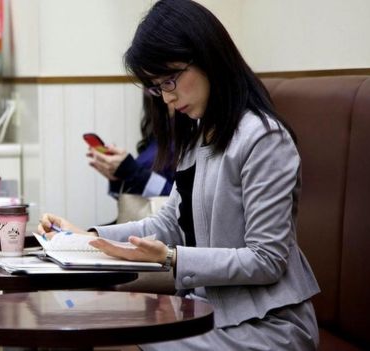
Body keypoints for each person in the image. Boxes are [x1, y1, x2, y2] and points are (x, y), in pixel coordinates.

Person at [39, 0, 321, 349]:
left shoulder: (263, 139)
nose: (168, 99)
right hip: (208, 312)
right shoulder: (199, 135)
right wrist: (88, 238)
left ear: (207, 56)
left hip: (268, 324)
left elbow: (267, 260)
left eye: (170, 80)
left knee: (111, 340)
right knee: (76, 323)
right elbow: (168, 224)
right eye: (158, 88)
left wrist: (171, 258)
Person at [87, 94, 175, 202]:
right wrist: (119, 175)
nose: (166, 97)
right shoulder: (160, 135)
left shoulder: (189, 142)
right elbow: (132, 201)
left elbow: (179, 200)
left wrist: (134, 172)